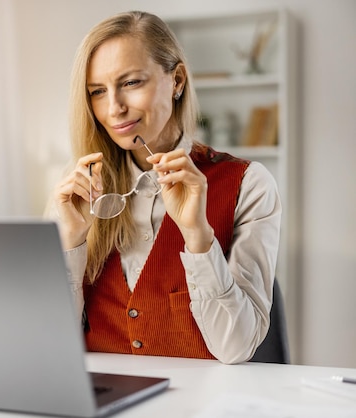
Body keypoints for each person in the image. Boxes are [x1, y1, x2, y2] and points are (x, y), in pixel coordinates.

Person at [48, 11, 281, 364]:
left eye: (131, 83)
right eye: (97, 91)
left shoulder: (249, 184)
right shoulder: (76, 192)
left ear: (177, 81)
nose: (114, 109)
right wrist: (71, 242)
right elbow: (49, 345)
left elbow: (236, 348)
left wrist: (198, 236)